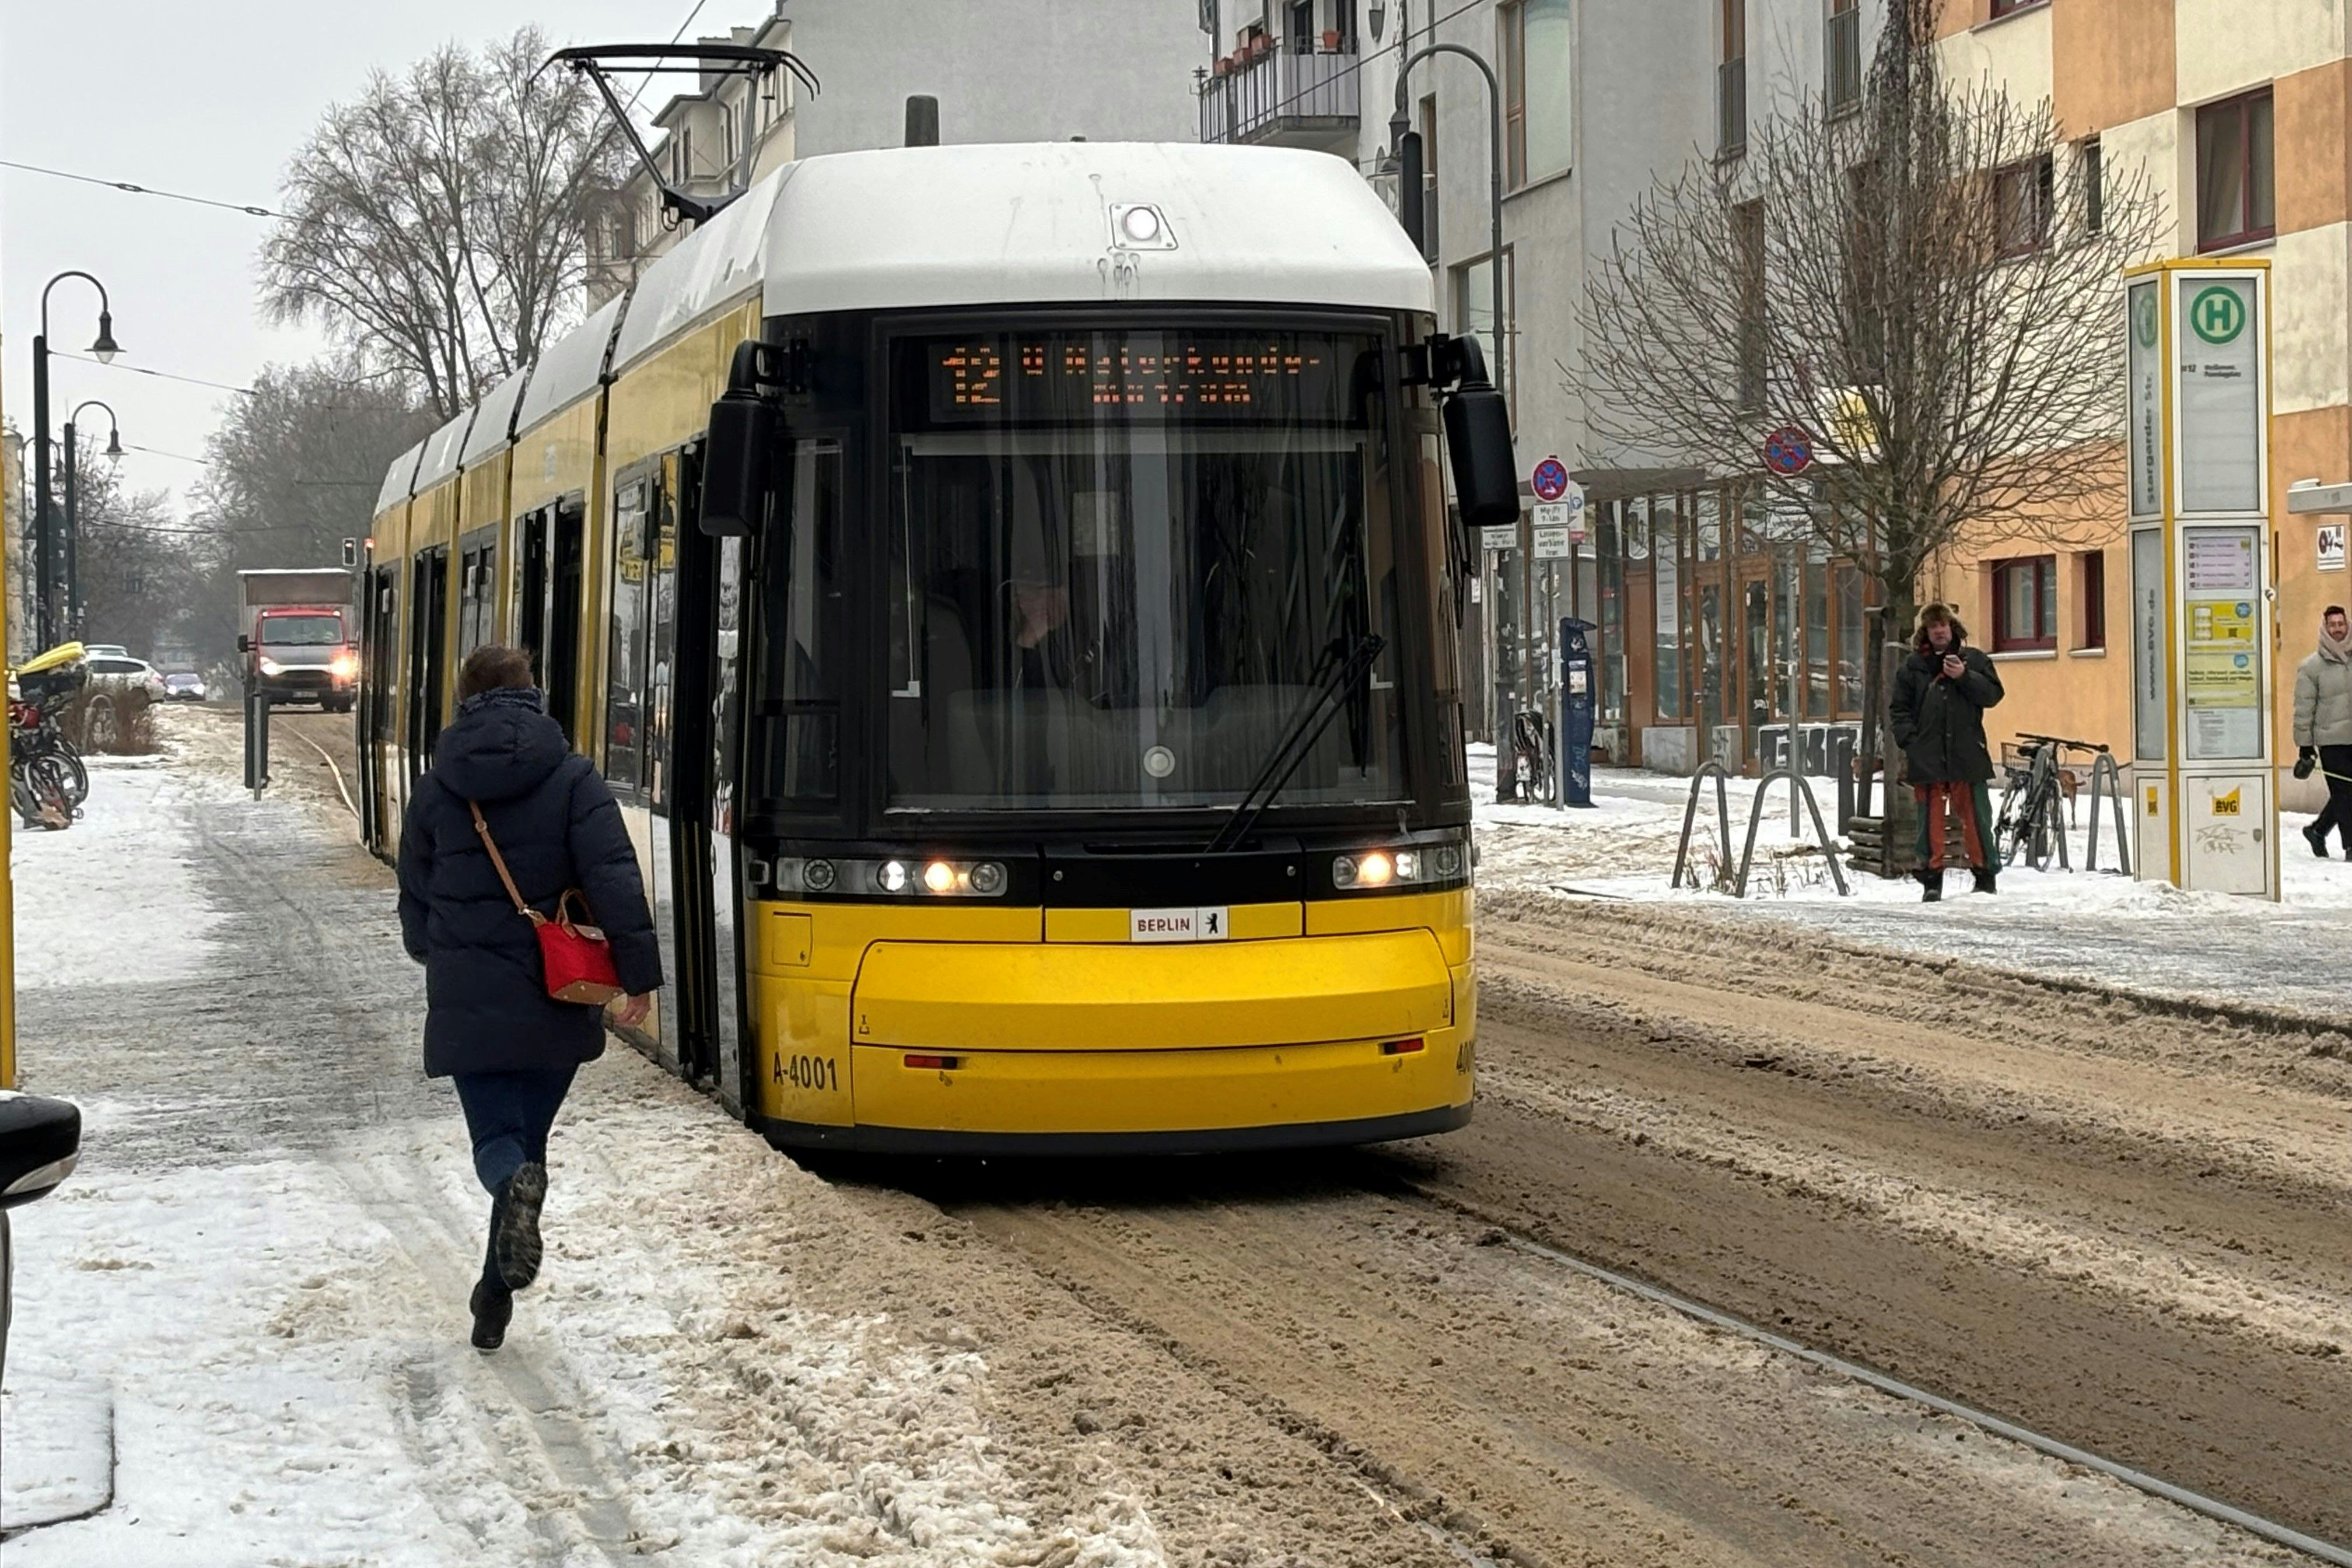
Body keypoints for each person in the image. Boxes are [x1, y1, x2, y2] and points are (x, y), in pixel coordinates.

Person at [397, 645, 661, 1352]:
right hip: (557, 991)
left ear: (464, 699)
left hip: (468, 997)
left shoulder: (437, 786)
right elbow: (613, 875)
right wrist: (638, 973)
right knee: (528, 1149)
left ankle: (497, 1280)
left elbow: (416, 888)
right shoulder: (574, 778)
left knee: (500, 1147)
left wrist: (431, 951)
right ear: (533, 694)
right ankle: (493, 1299)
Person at [1889, 603, 2005, 902]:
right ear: (1925, 632)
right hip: (1927, 757)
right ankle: (1932, 881)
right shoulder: (1912, 668)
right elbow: (1899, 711)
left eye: (1943, 625)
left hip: (1967, 754)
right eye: (1933, 627)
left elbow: (1993, 695)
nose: (1940, 631)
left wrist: (1965, 677)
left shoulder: (1975, 660)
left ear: (1952, 628)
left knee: (1978, 819)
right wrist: (1912, 743)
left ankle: (1985, 877)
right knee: (1929, 824)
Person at [2294, 604, 2352, 858]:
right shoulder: (2311, 667)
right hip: (2331, 740)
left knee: (2347, 792)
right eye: (2333, 625)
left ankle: (2318, 830)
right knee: (2344, 793)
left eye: (2341, 624)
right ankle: (2351, 846)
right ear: (2325, 628)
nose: (2337, 629)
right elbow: (2304, 709)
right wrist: (2305, 746)